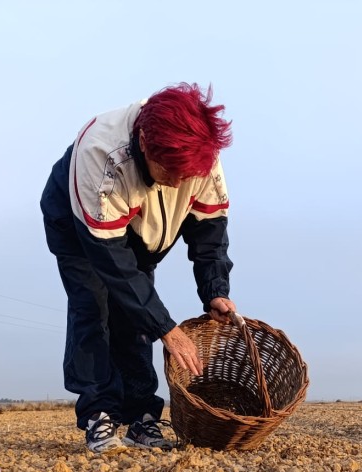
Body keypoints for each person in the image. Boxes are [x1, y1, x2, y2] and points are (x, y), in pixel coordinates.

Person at [40, 83, 236, 453]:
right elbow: (114, 268)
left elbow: (210, 228)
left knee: (136, 319)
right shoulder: (102, 157)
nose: (180, 183)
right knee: (93, 304)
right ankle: (100, 411)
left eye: (188, 175)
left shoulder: (199, 156)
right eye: (173, 173)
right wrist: (167, 328)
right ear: (144, 142)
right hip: (79, 224)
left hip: (140, 229)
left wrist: (215, 290)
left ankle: (141, 415)